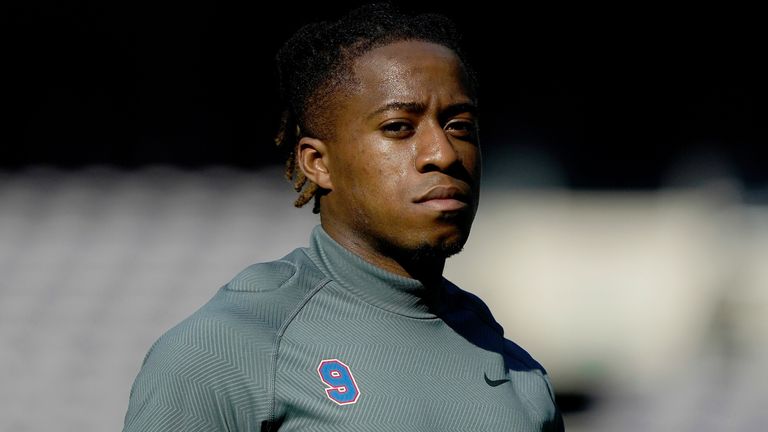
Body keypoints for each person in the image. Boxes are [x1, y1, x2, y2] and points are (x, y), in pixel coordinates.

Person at [123, 4, 563, 431]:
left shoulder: (520, 373)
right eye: (398, 127)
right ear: (318, 163)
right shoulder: (230, 348)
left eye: (460, 126)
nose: (443, 154)